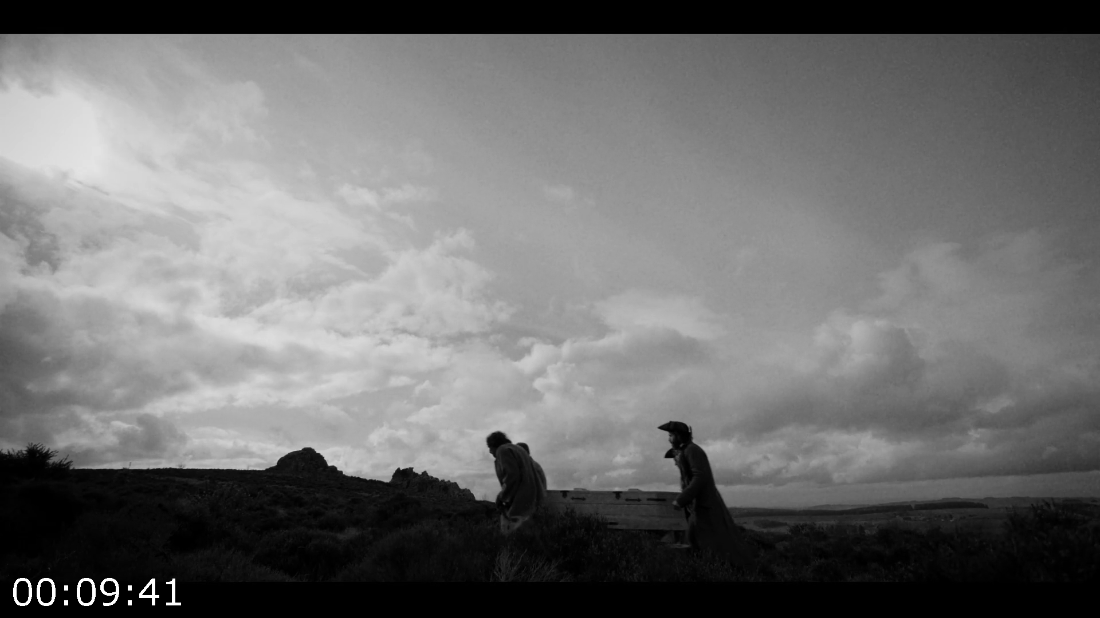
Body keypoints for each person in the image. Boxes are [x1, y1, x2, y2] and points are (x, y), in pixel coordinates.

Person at [659, 421, 756, 566]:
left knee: (718, 544)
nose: (669, 439)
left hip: (705, 505)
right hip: (697, 506)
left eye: (671, 435)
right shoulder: (686, 450)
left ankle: (734, 571)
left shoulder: (692, 450)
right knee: (696, 541)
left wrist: (681, 499)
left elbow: (700, 477)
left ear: (679, 435)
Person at [487, 431, 541, 534]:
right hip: (532, 500)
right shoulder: (519, 450)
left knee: (512, 536)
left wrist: (502, 496)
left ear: (494, 444)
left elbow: (511, 475)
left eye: (490, 447)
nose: (490, 451)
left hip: (520, 501)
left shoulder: (503, 450)